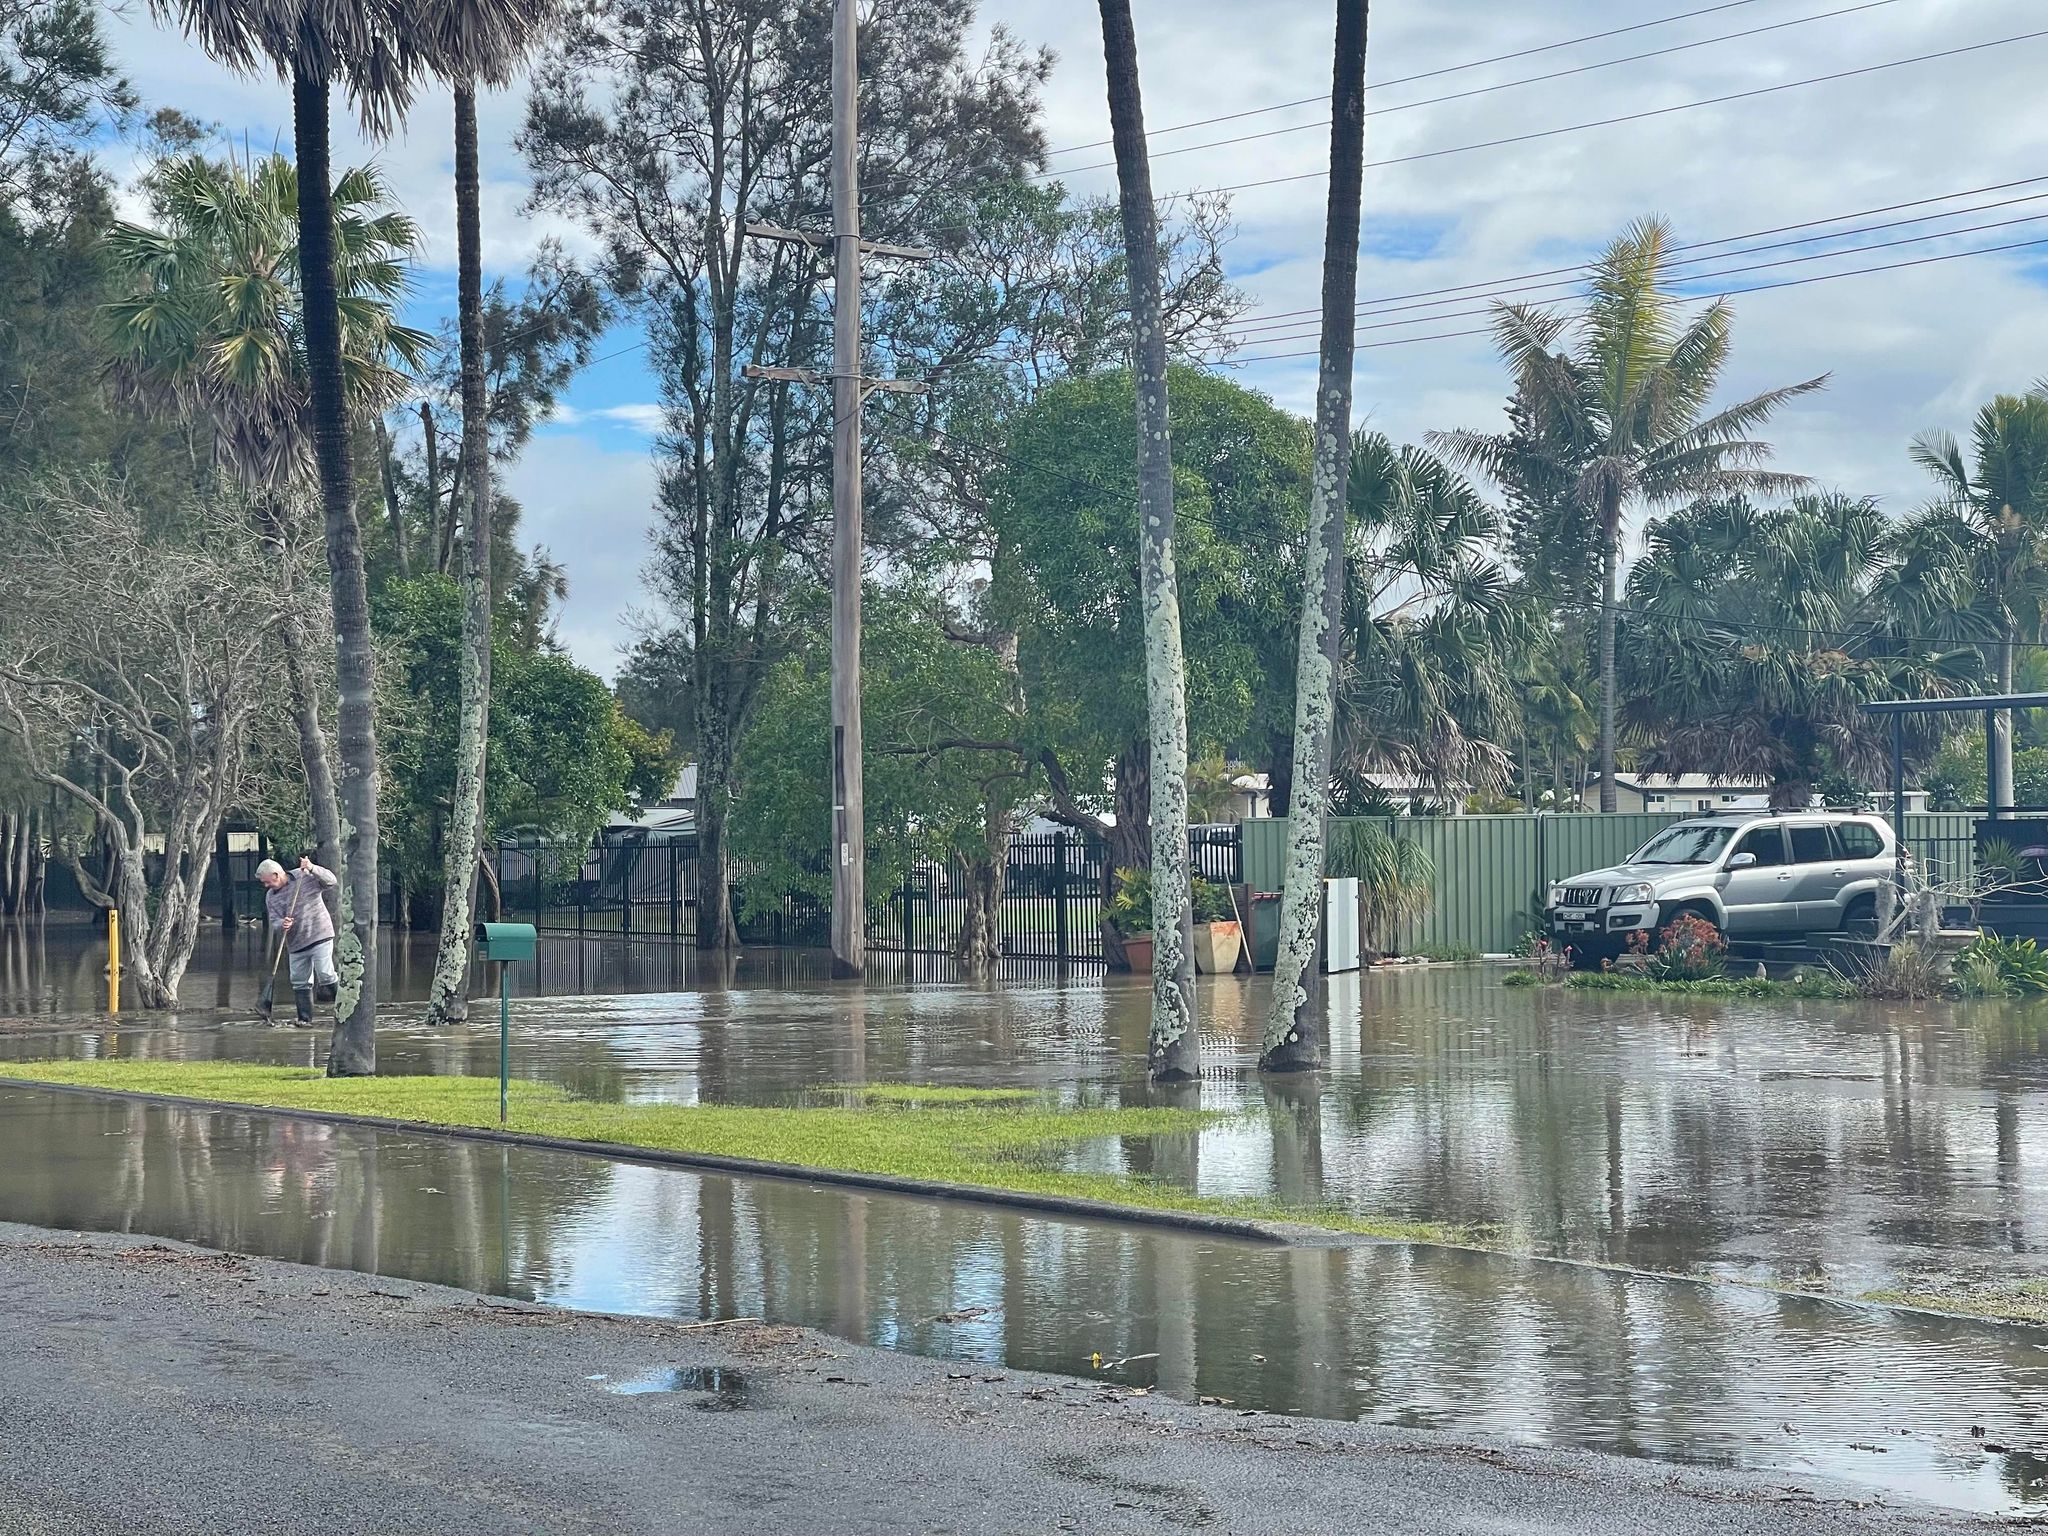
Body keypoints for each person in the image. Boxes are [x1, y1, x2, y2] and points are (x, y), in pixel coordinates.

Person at [256, 856, 339, 1027]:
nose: (266, 886)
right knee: (299, 980)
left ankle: (348, 1009)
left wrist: (312, 868)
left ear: (276, 875)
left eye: (267, 882)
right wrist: (282, 924)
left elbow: (331, 881)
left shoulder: (304, 877)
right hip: (295, 943)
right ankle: (305, 1020)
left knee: (325, 973)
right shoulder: (270, 897)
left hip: (319, 934)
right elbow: (275, 921)